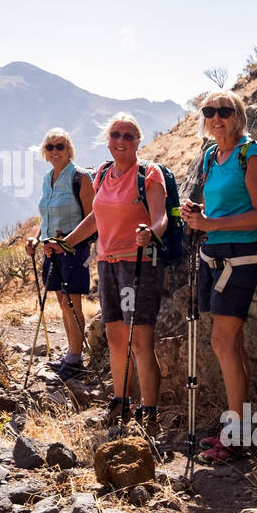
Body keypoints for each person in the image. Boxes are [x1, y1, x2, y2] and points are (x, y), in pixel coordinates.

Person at [54, 112, 168, 436]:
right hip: (107, 265)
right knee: (117, 338)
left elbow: (160, 218)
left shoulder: (149, 174)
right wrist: (66, 243)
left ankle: (150, 413)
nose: (121, 141)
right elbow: (95, 218)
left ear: (138, 142)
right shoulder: (102, 174)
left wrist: (150, 232)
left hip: (139, 266)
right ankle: (120, 403)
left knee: (141, 342)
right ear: (107, 139)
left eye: (128, 136)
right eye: (116, 134)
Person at [179, 89, 257, 463]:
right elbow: (217, 205)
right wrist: (198, 212)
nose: (216, 117)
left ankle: (235, 434)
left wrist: (209, 222)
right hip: (213, 254)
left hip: (241, 256)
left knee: (222, 342)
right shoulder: (210, 156)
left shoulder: (252, 155)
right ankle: (238, 427)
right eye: (209, 111)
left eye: (224, 110)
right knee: (231, 345)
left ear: (238, 115)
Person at [25, 127, 94, 376]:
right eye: (50, 147)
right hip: (50, 250)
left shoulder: (81, 177)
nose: (55, 151)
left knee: (72, 304)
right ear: (45, 151)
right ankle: (70, 354)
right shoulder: (48, 178)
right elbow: (46, 217)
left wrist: (70, 241)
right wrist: (34, 239)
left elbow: (91, 218)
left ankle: (76, 359)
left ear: (69, 149)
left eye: (60, 146)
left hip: (74, 250)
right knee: (62, 304)